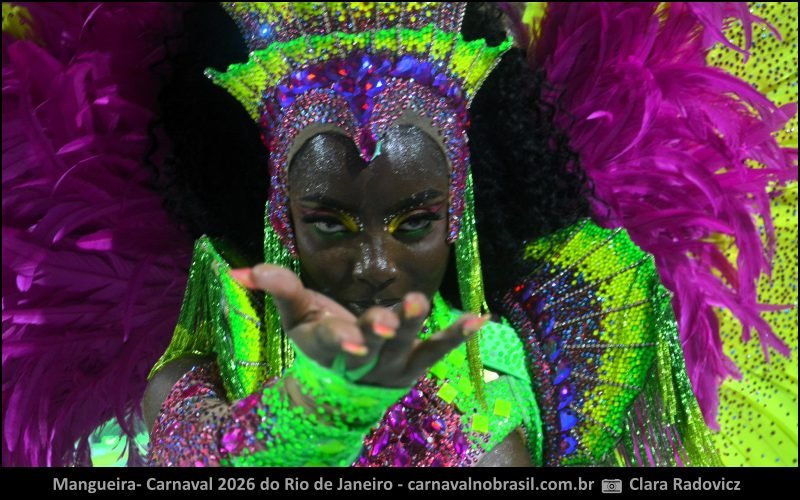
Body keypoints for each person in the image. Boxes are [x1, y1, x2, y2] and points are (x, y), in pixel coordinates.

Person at [2, 2, 796, 467]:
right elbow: (205, 452)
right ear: (274, 214)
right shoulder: (200, 369)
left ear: (463, 212)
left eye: (415, 222)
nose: (376, 265)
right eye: (329, 223)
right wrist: (319, 410)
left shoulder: (517, 368)